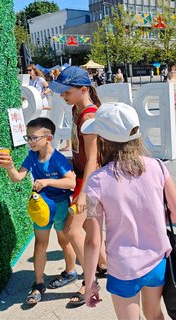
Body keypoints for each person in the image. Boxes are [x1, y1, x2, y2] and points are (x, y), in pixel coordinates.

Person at [82, 102, 176, 320]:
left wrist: (90, 281)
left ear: (102, 140)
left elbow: (93, 240)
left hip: (123, 268)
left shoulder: (95, 181)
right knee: (154, 315)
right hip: (157, 260)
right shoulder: (157, 166)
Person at [0, 117, 78, 304]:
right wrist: (9, 166)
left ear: (48, 138)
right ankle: (38, 283)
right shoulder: (31, 156)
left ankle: (71, 272)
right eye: (28, 137)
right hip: (41, 207)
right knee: (40, 244)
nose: (30, 141)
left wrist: (48, 181)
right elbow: (17, 177)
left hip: (60, 206)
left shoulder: (58, 158)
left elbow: (71, 182)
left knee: (64, 241)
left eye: (34, 137)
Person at [49, 66, 108, 307]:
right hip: (82, 176)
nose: (63, 95)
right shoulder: (77, 109)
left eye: (66, 91)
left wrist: (83, 192)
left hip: (91, 180)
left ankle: (90, 281)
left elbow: (94, 157)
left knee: (73, 230)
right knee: (89, 230)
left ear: (83, 89)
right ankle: (105, 266)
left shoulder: (89, 115)